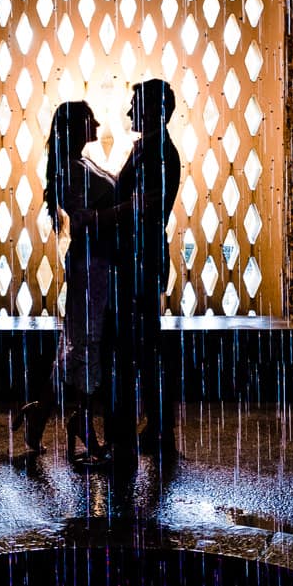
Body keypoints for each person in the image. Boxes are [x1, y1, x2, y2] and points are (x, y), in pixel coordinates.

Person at [16, 99, 116, 465]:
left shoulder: (82, 163)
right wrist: (127, 208)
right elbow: (84, 217)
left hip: (100, 262)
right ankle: (80, 422)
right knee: (84, 343)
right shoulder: (69, 170)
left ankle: (45, 413)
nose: (99, 122)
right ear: (76, 126)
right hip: (90, 264)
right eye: (91, 119)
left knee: (82, 343)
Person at [92, 79, 181, 468]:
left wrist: (94, 218)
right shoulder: (151, 149)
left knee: (132, 349)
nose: (129, 113)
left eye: (135, 106)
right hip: (139, 258)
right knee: (141, 348)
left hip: (139, 261)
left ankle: (129, 438)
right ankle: (153, 431)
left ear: (154, 111)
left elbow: (141, 207)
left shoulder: (157, 154)